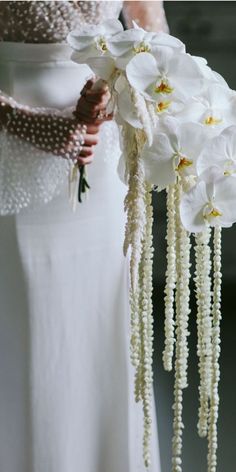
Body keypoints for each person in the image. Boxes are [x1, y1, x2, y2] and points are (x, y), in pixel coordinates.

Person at [0, 2, 167, 472]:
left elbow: (151, 43)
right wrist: (24, 121)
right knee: (24, 322)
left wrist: (119, 94)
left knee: (102, 320)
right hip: (10, 152)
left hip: (101, 152)